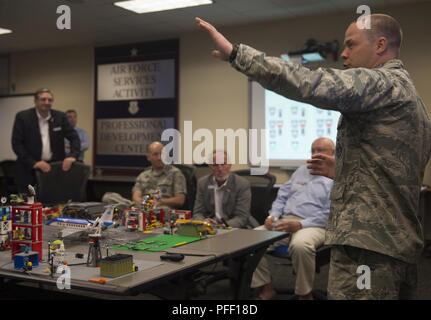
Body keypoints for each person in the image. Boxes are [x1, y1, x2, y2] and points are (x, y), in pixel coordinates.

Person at [196, 14, 431, 299]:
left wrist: (237, 54)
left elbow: (310, 82)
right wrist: (344, 169)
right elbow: (394, 171)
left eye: (351, 45)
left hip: (367, 249)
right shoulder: (411, 98)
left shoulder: (381, 83)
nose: (343, 54)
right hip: (396, 245)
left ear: (380, 45)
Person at [252, 138, 335, 300]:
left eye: (322, 150)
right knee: (250, 241)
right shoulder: (301, 171)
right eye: (314, 150)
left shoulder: (336, 177)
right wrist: (272, 215)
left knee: (300, 245)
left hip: (314, 224)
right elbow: (282, 196)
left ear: (333, 154)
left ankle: (304, 294)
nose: (316, 154)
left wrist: (300, 224)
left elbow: (331, 213)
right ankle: (266, 287)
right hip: (285, 221)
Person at [11, 88, 81, 194]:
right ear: (36, 101)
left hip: (53, 170)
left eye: (50, 100)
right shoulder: (23, 117)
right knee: (28, 206)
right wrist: (34, 163)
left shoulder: (60, 117)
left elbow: (74, 137)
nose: (47, 102)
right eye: (43, 99)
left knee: (53, 205)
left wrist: (72, 156)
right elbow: (17, 143)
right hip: (28, 170)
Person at [193, 150, 258, 229]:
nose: (220, 169)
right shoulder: (202, 183)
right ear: (210, 166)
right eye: (215, 165)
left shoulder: (242, 184)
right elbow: (198, 212)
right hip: (210, 227)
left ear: (230, 165)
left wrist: (221, 226)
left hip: (236, 227)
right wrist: (204, 222)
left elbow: (241, 217)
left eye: (223, 164)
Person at [132, 141, 187, 209]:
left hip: (163, 210)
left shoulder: (175, 174)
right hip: (144, 208)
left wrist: (160, 201)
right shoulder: (143, 175)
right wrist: (145, 204)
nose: (159, 158)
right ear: (148, 157)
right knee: (116, 199)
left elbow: (180, 200)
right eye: (155, 154)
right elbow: (136, 197)